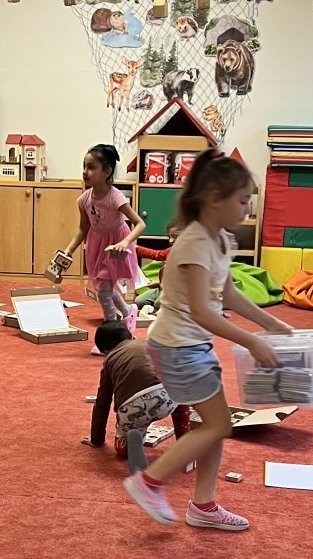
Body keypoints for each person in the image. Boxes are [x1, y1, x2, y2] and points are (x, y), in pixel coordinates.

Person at [122, 151, 293, 532]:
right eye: (243, 200)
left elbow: (229, 294)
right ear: (215, 198)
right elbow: (202, 310)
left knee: (215, 425)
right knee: (218, 424)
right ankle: (149, 482)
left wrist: (272, 323)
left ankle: (203, 505)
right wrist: (252, 341)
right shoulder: (194, 243)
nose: (248, 209)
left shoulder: (222, 240)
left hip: (193, 346)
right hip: (177, 347)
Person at [85, 319, 190, 473]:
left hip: (134, 408)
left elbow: (103, 403)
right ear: (132, 337)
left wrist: (96, 440)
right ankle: (185, 441)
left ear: (106, 352)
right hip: (171, 395)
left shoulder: (110, 360)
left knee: (129, 434)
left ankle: (128, 445)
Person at [58, 144, 146, 327]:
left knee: (104, 290)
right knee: (104, 286)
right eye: (84, 166)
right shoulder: (84, 200)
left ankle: (110, 326)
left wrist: (125, 242)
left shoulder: (116, 197)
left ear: (107, 171)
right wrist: (68, 251)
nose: (85, 171)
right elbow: (83, 228)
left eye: (91, 167)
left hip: (115, 246)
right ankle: (128, 311)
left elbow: (140, 224)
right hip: (97, 246)